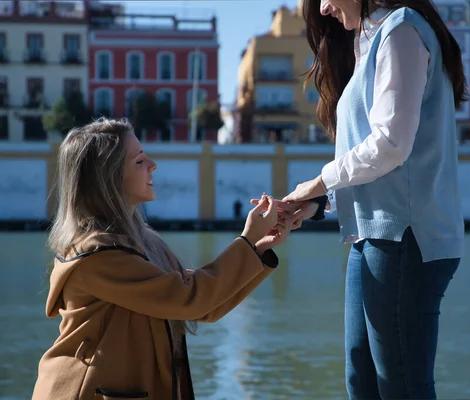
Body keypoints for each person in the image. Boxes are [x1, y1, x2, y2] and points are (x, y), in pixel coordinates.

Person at [279, 0, 468, 398]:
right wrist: (317, 204)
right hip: (373, 236)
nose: (326, 9)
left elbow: (391, 146)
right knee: (362, 383)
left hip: (405, 238)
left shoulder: (401, 29)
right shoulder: (371, 41)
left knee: (399, 386)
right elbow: (382, 168)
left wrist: (318, 182)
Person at [32, 118, 290, 400]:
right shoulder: (97, 255)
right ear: (109, 176)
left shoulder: (144, 241)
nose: (153, 165)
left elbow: (203, 306)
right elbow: (188, 298)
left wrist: (257, 248)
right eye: (140, 160)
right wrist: (247, 241)